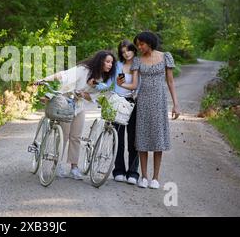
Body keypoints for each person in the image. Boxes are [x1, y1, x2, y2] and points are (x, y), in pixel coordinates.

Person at [35, 50, 116, 180]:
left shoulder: (102, 79)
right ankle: (58, 164)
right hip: (66, 102)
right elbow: (63, 75)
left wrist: (82, 94)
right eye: (107, 61)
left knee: (76, 136)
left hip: (80, 105)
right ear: (100, 61)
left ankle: (74, 167)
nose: (110, 64)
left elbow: (91, 97)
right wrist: (44, 79)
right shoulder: (83, 70)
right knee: (64, 135)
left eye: (112, 62)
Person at [118, 31, 180, 189]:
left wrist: (176, 104)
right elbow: (133, 85)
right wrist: (121, 85)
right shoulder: (137, 60)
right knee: (142, 139)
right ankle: (144, 177)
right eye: (137, 44)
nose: (139, 47)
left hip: (159, 102)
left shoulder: (165, 56)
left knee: (158, 140)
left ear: (150, 42)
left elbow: (171, 82)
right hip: (143, 103)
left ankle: (155, 178)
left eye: (141, 44)